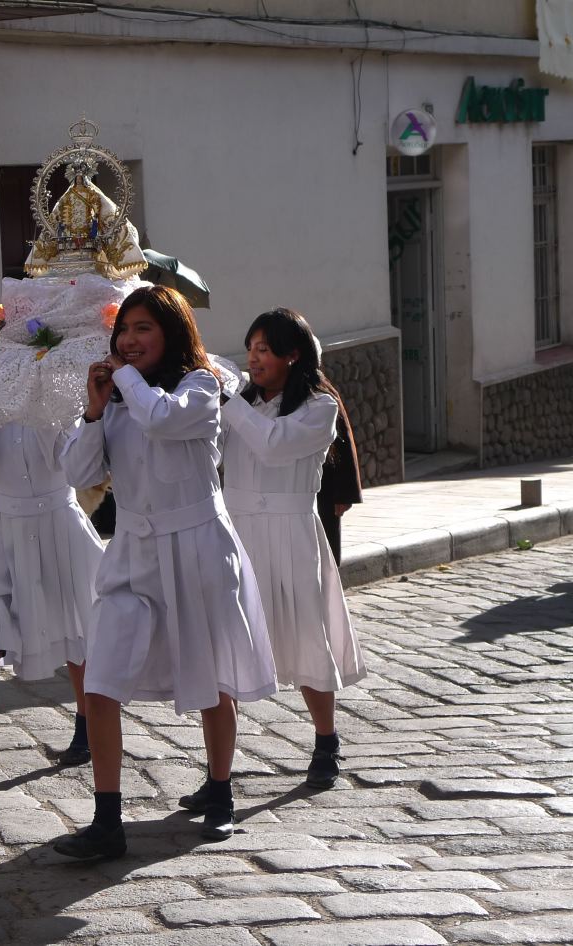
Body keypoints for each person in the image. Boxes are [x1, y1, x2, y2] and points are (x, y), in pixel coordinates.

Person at [53, 286, 277, 859]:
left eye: (143, 328)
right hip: (133, 553)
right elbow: (79, 472)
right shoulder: (119, 400)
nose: (129, 340)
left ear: (172, 334)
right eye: (123, 329)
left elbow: (162, 420)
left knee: (210, 677)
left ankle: (221, 790)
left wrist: (124, 382)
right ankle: (107, 819)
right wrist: (94, 410)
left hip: (198, 547)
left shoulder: (203, 387)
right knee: (100, 680)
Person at [217, 308, 365, 791]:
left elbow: (273, 446)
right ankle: (219, 768)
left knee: (306, 635)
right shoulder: (238, 400)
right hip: (237, 532)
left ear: (291, 354)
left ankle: (326, 739)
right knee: (227, 643)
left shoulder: (318, 406)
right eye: (251, 348)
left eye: (264, 349)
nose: (253, 358)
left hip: (292, 531)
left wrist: (227, 401)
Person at [0, 317, 105, 782]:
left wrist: (43, 406)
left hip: (56, 523)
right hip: (5, 527)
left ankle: (87, 726)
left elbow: (73, 463)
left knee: (77, 629)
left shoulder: (54, 402)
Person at [316, 406, 362, 564]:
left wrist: (345, 494)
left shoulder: (322, 394)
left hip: (325, 482)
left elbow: (343, 442)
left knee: (326, 545)